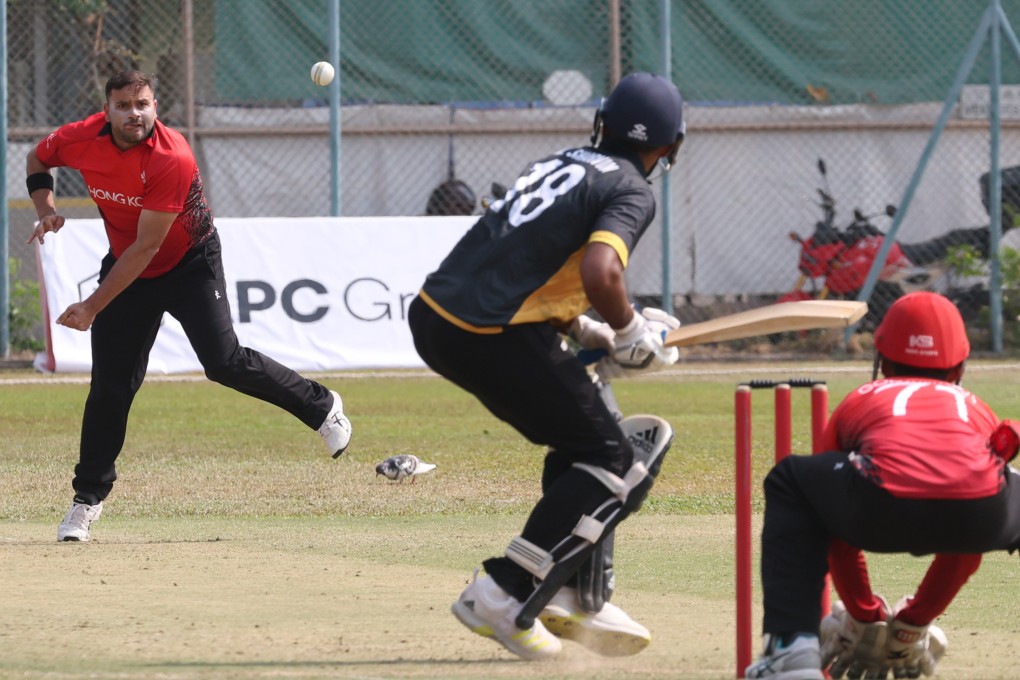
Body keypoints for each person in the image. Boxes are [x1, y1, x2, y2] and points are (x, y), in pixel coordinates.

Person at [407, 72, 686, 660]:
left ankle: (570, 593)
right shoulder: (634, 187)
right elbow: (601, 273)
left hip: (439, 317)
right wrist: (632, 332)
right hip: (489, 333)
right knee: (617, 458)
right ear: (670, 146)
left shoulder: (561, 163)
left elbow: (526, 263)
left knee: (583, 440)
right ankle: (504, 591)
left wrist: (587, 328)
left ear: (601, 123)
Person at [26, 70, 353, 543]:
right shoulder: (80, 138)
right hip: (128, 267)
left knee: (224, 362)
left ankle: (321, 406)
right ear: (108, 110)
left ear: (155, 106)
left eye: (142, 103)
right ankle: (86, 501)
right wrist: (45, 208)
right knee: (111, 389)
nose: (134, 113)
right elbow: (39, 157)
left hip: (189, 263)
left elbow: (147, 248)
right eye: (123, 105)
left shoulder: (170, 155)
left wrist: (93, 305)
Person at [746, 291, 1020, 679]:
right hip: (980, 514)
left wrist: (863, 615)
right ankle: (906, 629)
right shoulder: (975, 405)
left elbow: (833, 526)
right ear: (960, 365)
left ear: (882, 359)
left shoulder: (864, 396)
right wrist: (914, 621)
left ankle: (791, 648)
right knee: (987, 486)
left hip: (877, 507)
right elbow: (966, 527)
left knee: (794, 480)